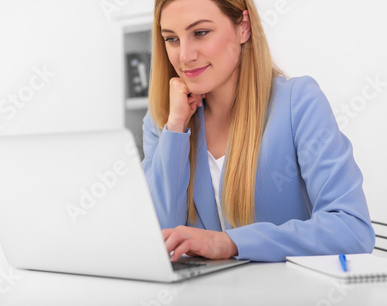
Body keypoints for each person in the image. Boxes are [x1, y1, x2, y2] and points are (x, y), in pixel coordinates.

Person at [142, 0, 375, 262]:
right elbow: (159, 239)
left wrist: (233, 243)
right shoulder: (163, 122)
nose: (184, 55)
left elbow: (351, 230)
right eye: (171, 39)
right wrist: (175, 129)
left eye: (200, 33)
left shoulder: (297, 103)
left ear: (244, 27)